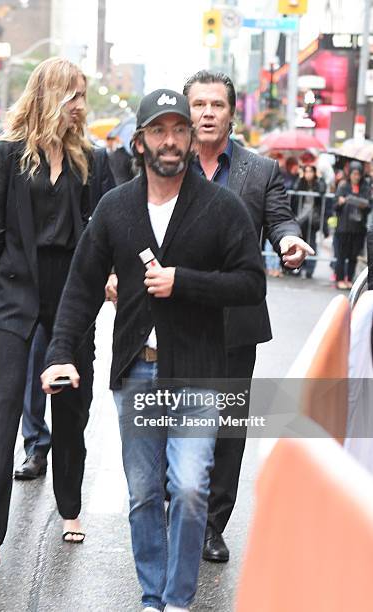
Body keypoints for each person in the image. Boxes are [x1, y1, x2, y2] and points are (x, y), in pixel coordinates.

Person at [41, 89, 266, 612]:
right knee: (144, 494)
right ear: (139, 142)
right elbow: (80, 289)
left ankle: (178, 601)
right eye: (159, 132)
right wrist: (59, 353)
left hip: (198, 374)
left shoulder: (220, 206)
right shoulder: (116, 208)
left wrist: (183, 282)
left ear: (191, 137)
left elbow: (250, 284)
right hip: (138, 375)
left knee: (189, 490)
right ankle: (152, 597)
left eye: (180, 130)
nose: (171, 141)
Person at [0, 57, 96, 567]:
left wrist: (105, 277)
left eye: (83, 95)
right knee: (5, 410)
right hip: (15, 291)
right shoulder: (6, 153)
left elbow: (96, 230)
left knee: (69, 404)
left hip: (70, 293)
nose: (81, 106)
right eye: (75, 95)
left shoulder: (90, 158)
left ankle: (70, 508)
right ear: (51, 95)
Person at [182, 70, 312, 564]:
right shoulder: (166, 165)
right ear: (187, 111)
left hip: (237, 318)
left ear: (233, 113)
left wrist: (287, 240)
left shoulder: (260, 171)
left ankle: (213, 525)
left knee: (228, 425)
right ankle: (180, 511)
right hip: (178, 315)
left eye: (218, 104)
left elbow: (279, 217)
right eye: (199, 104)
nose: (208, 113)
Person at [15, 144, 115, 480]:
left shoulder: (92, 157)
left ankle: (69, 444)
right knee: (35, 361)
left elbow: (109, 212)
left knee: (78, 376)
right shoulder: (25, 156)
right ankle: (36, 445)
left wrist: (110, 269)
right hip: (34, 277)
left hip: (78, 278)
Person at [334, 160, 371, 290]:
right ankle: (339, 279)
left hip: (358, 228)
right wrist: (341, 202)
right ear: (350, 174)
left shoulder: (365, 187)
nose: (356, 177)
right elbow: (335, 205)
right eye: (354, 174)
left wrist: (357, 201)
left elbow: (368, 205)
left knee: (353, 256)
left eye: (358, 174)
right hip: (343, 227)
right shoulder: (343, 186)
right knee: (341, 255)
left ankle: (349, 278)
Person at [292, 165, 326, 279]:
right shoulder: (302, 182)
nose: (308, 174)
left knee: (311, 244)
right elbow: (295, 188)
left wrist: (320, 178)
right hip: (301, 218)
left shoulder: (318, 183)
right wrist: (300, 177)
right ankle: (297, 267)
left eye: (310, 171)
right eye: (306, 171)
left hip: (313, 219)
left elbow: (322, 190)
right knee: (299, 243)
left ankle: (309, 270)